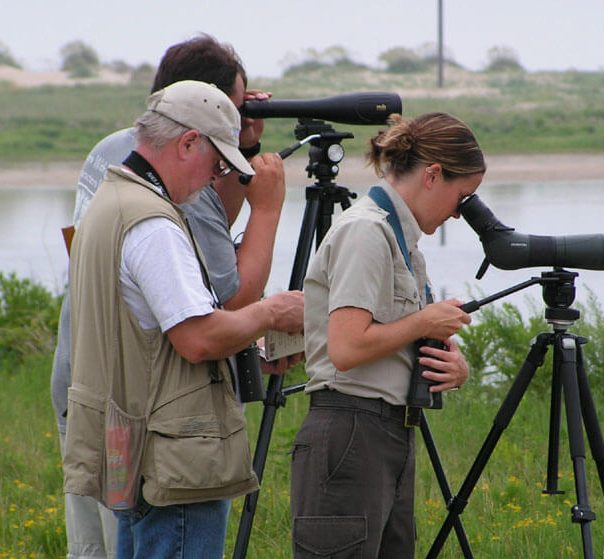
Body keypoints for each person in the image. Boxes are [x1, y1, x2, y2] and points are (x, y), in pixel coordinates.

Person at [50, 34, 287, 558]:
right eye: (216, 163)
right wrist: (272, 307)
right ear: (186, 144)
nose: (218, 177)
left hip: (114, 419)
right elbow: (203, 331)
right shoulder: (155, 221)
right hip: (173, 447)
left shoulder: (115, 181)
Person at [290, 112, 485, 557]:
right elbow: (346, 346)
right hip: (351, 430)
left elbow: (392, 341)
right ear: (433, 175)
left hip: (386, 431)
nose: (460, 213)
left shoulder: (401, 239)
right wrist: (423, 322)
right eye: (463, 197)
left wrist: (450, 366)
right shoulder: (367, 231)